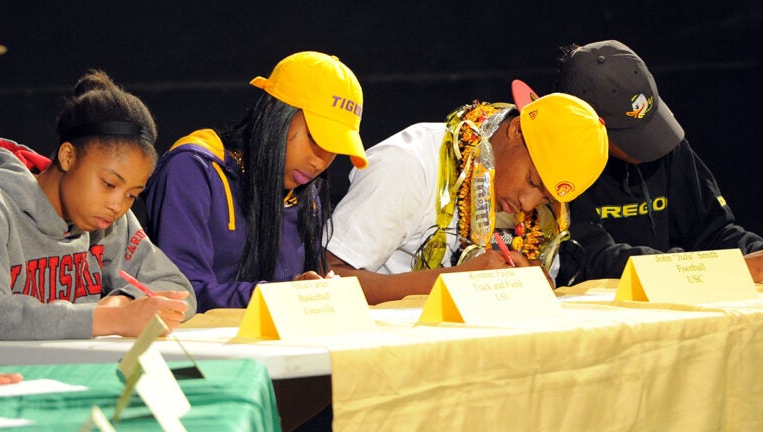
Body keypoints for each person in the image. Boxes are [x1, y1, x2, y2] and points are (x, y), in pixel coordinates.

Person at [326, 81, 610, 304]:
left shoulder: (533, 208)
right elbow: (330, 279)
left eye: (546, 198)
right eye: (532, 182)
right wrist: (458, 281)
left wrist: (532, 282)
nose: (527, 203)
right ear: (515, 131)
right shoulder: (408, 165)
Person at [142, 51, 368, 312]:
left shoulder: (306, 192)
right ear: (274, 111)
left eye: (335, 148)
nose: (320, 162)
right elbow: (182, 293)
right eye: (316, 139)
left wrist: (315, 291)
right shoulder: (193, 169)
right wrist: (282, 295)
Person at [0, 70, 196, 341]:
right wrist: (108, 319)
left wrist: (123, 302)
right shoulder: (1, 207)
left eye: (131, 195)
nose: (118, 205)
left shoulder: (109, 220)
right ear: (68, 157)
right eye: (109, 184)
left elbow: (177, 289)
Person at [554, 40, 763, 286]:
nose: (651, 144)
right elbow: (596, 261)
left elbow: (713, 231)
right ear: (587, 123)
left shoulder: (668, 145)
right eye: (631, 134)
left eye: (651, 123)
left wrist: (754, 252)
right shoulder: (557, 165)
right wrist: (717, 271)